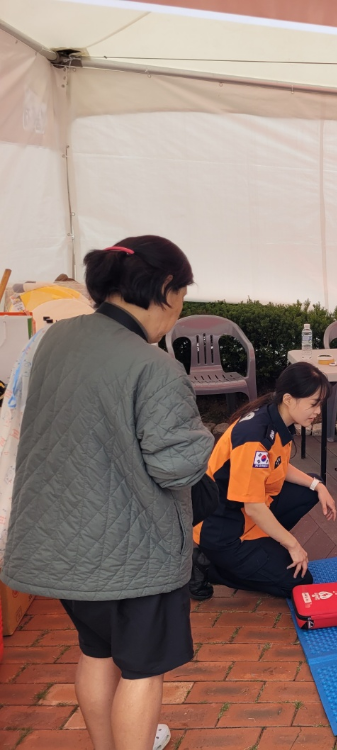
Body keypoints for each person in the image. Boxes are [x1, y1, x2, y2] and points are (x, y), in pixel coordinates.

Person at [1, 237, 215, 750]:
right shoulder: (154, 367)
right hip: (132, 552)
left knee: (96, 653)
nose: (177, 310)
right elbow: (176, 467)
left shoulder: (55, 340)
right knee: (142, 669)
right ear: (164, 289)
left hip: (62, 541)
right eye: (181, 296)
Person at [191, 362, 336, 599]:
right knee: (298, 583)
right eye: (314, 403)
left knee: (311, 486)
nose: (318, 411)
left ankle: (263, 546)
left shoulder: (276, 417)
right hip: (224, 531)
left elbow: (278, 465)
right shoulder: (254, 437)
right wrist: (293, 545)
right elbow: (254, 507)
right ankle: (207, 566)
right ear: (289, 399)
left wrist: (317, 485)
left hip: (248, 511)